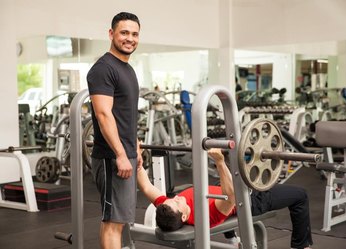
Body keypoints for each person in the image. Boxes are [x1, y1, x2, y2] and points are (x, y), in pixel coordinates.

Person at [137, 149, 313, 249]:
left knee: (217, 182)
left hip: (226, 193)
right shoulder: (207, 214)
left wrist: (136, 158)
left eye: (172, 199)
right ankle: (301, 246)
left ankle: (233, 240)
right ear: (184, 217)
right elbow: (232, 197)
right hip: (250, 201)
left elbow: (146, 186)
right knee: (300, 195)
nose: (175, 197)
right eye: (176, 202)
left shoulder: (167, 208)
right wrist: (220, 162)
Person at [87, 12, 143, 249]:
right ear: (111, 34)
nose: (130, 38)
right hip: (111, 157)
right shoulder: (103, 68)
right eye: (124, 33)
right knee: (113, 221)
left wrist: (136, 147)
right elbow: (103, 115)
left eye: (134, 34)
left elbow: (125, 115)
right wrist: (120, 155)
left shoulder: (127, 69)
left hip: (125, 153)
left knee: (118, 220)